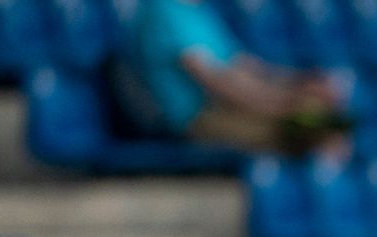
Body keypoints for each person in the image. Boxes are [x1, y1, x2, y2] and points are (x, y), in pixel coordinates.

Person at [113, 0, 350, 153]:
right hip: (200, 118)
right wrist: (282, 104)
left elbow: (243, 65)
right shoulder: (162, 12)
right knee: (317, 129)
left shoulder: (198, 12)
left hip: (231, 107)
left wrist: (302, 83)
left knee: (324, 114)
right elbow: (215, 82)